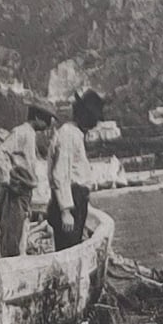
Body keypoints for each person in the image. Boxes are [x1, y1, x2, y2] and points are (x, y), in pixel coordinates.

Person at [0, 102, 56, 257]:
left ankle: (19, 260)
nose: (48, 124)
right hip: (16, 193)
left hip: (24, 192)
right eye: (46, 120)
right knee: (13, 234)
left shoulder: (30, 134)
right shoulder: (21, 132)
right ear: (37, 117)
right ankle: (13, 263)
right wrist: (8, 180)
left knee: (21, 231)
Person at [47, 89, 104, 251]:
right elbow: (60, 173)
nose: (95, 123)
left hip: (76, 198)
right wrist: (65, 210)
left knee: (74, 245)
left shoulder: (75, 133)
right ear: (84, 115)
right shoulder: (68, 134)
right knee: (69, 248)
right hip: (72, 199)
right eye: (93, 118)